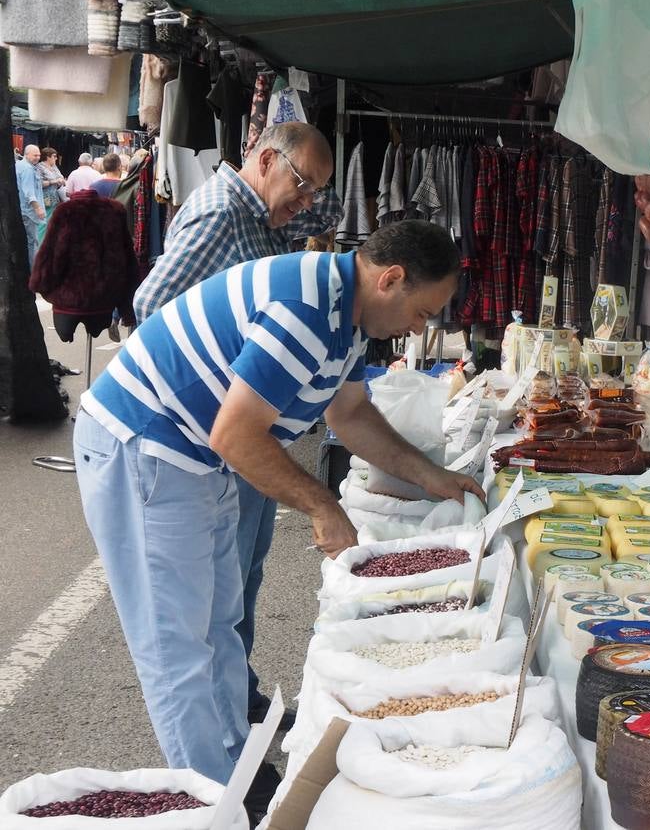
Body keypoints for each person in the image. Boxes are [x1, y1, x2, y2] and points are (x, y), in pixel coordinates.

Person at [72, 219, 483, 805]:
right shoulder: (307, 308)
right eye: (423, 312)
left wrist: (432, 477)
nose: (421, 328)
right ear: (392, 279)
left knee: (218, 628)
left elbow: (351, 416)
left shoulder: (346, 310)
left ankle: (238, 774)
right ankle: (215, 805)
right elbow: (237, 436)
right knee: (178, 648)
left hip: (195, 455)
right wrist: (322, 505)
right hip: (149, 447)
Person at [132, 121, 334, 732]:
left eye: (314, 194)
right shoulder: (223, 213)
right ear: (266, 158)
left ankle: (238, 698)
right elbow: (151, 305)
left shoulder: (255, 217)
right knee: (223, 585)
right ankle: (226, 726)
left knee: (243, 572)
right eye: (301, 186)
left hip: (238, 429)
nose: (304, 203)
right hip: (216, 432)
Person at [15, 145, 46, 267]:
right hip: (29, 211)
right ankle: (34, 272)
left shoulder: (20, 165)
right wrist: (38, 208)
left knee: (29, 241)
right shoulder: (27, 169)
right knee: (33, 242)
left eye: (39, 155)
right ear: (26, 154)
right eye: (35, 155)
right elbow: (29, 193)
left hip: (24, 210)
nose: (38, 157)